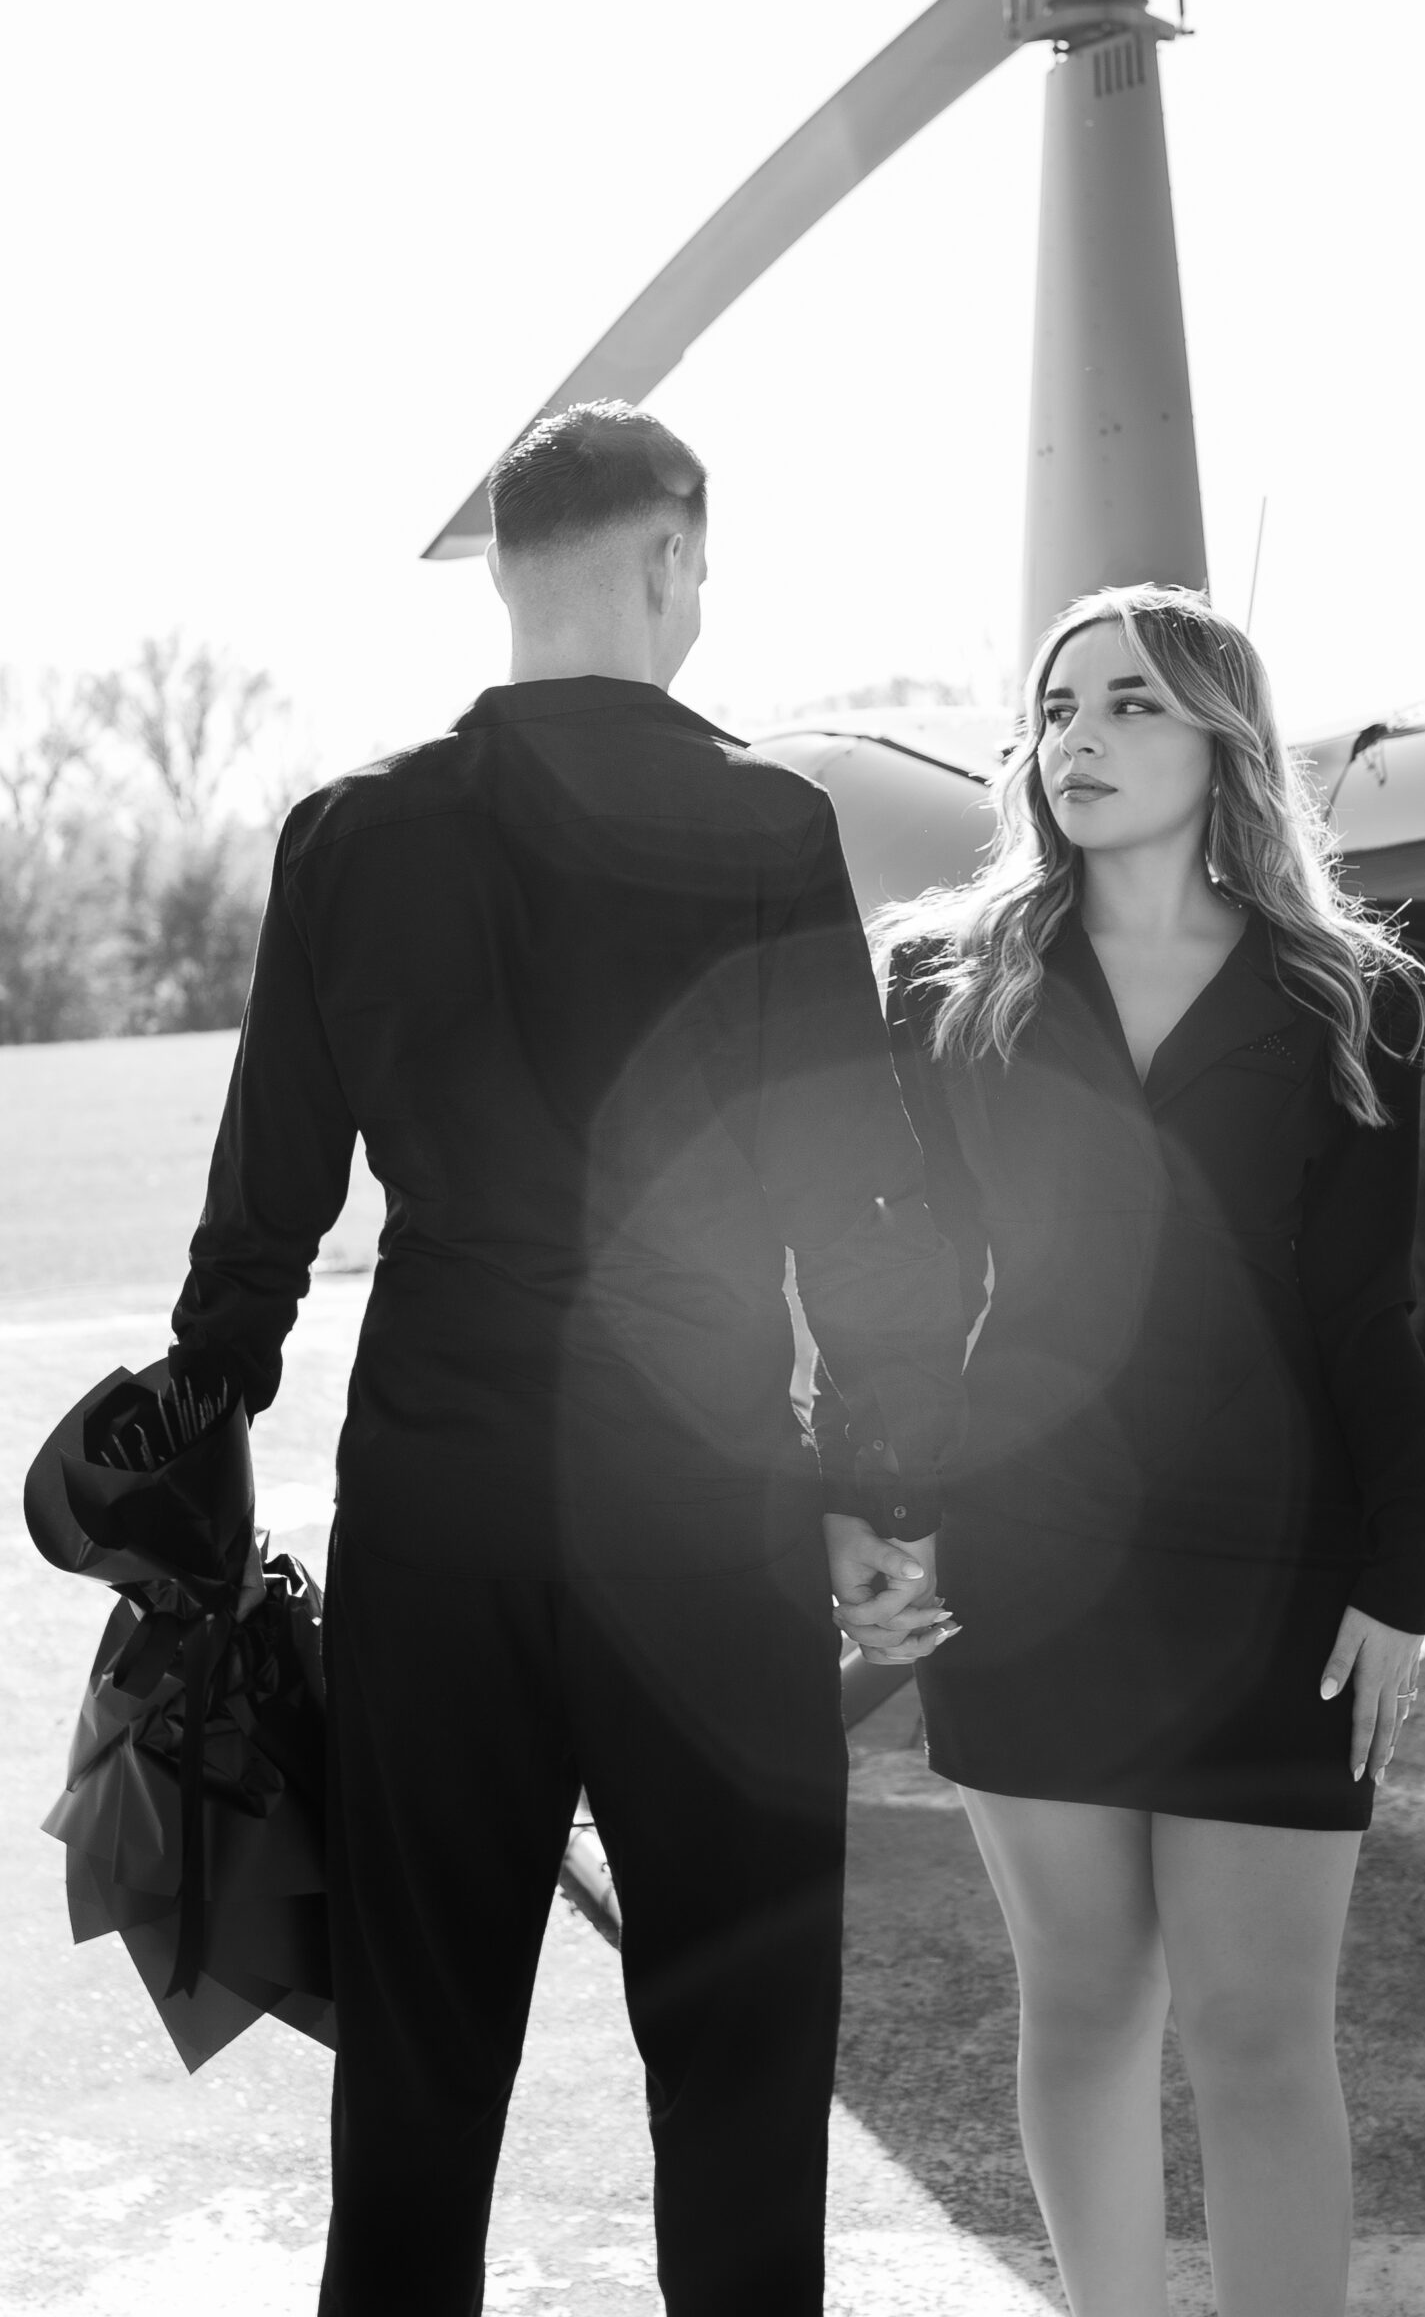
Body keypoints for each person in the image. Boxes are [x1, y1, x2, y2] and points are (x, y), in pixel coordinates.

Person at [167, 401, 964, 2317]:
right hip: (696, 1502)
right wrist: (883, 1485)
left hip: (437, 1498)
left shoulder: (347, 835)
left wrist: (196, 1438)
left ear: (510, 576)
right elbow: (850, 1192)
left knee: (421, 2039)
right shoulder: (769, 825)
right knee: (742, 2038)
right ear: (671, 558)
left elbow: (264, 1204)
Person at [844, 586, 1425, 2317]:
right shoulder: (948, 982)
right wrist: (880, 1508)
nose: (1081, 740)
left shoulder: (1351, 995)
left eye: (1131, 705)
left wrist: (1406, 1568)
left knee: (1261, 2030)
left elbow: (1369, 1306)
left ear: (1224, 741)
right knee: (1088, 1998)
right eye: (1058, 709)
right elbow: (909, 1287)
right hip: (1030, 1559)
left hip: (1282, 1565)